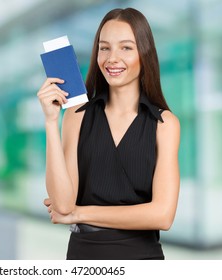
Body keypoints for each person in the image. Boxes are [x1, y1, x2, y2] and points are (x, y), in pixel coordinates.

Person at [37, 7, 180, 260]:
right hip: (84, 257)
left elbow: (162, 216)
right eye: (104, 48)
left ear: (144, 53)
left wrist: (79, 214)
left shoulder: (164, 123)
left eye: (126, 47)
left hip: (141, 258)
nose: (112, 58)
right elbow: (62, 205)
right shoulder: (76, 115)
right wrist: (50, 122)